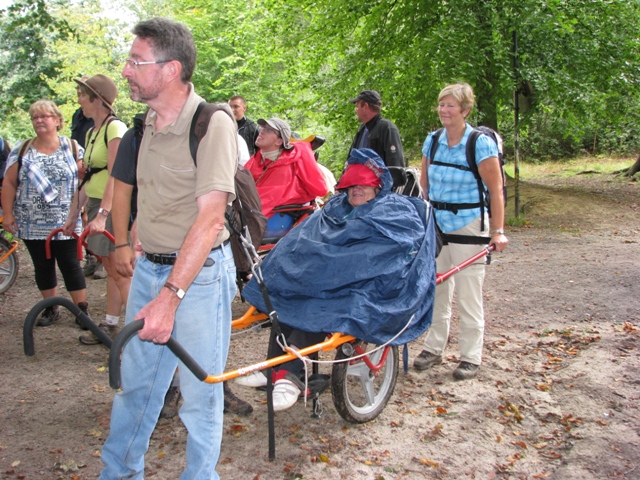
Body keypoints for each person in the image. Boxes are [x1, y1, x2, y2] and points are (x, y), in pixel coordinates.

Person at [98, 17, 237, 480]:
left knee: (199, 396)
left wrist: (170, 296)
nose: (126, 69)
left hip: (195, 280)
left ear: (171, 68)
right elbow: (136, 193)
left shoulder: (211, 123)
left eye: (137, 61)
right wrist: (128, 239)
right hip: (149, 274)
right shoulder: (148, 125)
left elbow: (211, 216)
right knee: (136, 387)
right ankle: (118, 474)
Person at [238, 148, 437, 411]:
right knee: (287, 293)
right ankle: (274, 368)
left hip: (369, 284)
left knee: (320, 303)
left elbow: (392, 254)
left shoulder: (395, 210)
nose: (356, 190)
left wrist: (337, 267)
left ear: (378, 185)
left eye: (363, 185)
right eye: (351, 185)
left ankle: (290, 377)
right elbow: (305, 238)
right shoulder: (336, 207)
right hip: (327, 276)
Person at [110, 113, 253, 418]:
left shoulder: (210, 128)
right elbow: (125, 189)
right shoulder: (136, 137)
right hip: (153, 254)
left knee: (205, 348)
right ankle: (166, 390)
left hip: (206, 256)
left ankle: (209, 391)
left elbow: (218, 206)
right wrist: (126, 238)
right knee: (154, 340)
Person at [413, 82, 509, 380]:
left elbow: (496, 190)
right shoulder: (433, 140)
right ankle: (434, 347)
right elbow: (425, 184)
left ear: (465, 110)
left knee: (469, 294)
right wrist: (424, 218)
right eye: (441, 104)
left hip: (469, 225)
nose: (444, 110)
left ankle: (471, 356)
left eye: (450, 105)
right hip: (437, 225)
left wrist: (498, 230)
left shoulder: (479, 143)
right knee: (438, 288)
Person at [1, 100, 89, 325]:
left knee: (70, 264)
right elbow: (9, 184)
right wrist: (8, 215)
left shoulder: (72, 147)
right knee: (42, 265)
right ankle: (51, 308)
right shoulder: (23, 149)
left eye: (45, 116)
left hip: (66, 221)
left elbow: (86, 181)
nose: (39, 120)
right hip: (31, 221)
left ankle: (81, 311)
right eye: (35, 117)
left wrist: (84, 212)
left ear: (57, 120)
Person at [62, 74, 129, 345]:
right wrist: (72, 217)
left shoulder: (115, 128)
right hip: (95, 203)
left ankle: (142, 334)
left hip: (110, 207)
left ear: (98, 99)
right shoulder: (91, 132)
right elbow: (87, 178)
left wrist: (103, 213)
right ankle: (110, 325)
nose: (78, 99)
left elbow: (117, 174)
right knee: (110, 268)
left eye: (82, 94)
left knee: (120, 269)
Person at [244, 117, 328, 218]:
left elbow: (320, 190)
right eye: (262, 127)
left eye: (269, 130)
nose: (262, 131)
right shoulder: (256, 159)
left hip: (276, 218)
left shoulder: (290, 163)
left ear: (279, 141)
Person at [347, 90, 405, 168]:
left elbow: (395, 164)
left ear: (365, 106)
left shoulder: (387, 128)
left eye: (357, 107)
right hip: (359, 179)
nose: (355, 111)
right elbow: (350, 159)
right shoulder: (362, 130)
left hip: (378, 180)